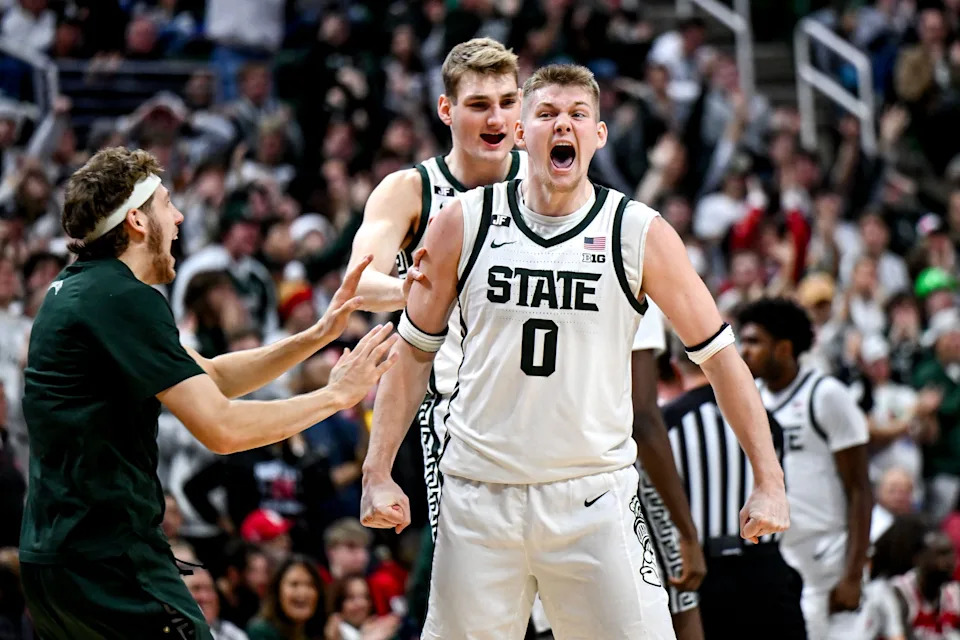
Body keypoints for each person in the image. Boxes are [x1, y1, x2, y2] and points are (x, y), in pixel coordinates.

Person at [360, 64, 788, 639]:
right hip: (479, 495)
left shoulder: (638, 232)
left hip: (593, 498)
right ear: (521, 133)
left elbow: (719, 358)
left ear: (598, 135)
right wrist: (377, 470)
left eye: (577, 115)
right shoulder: (460, 222)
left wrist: (769, 479)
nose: (563, 125)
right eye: (546, 114)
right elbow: (412, 358)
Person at [17, 147, 398, 639]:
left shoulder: (78, 290)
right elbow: (221, 428)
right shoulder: (124, 298)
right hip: (109, 559)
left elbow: (213, 375)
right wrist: (334, 397)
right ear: (136, 220)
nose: (177, 218)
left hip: (57, 558)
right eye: (166, 204)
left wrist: (319, 334)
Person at [346, 36, 527, 541]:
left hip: (550, 404)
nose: (496, 120)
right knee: (480, 602)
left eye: (507, 103)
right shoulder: (411, 190)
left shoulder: (550, 181)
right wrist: (416, 289)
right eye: (478, 106)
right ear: (446, 109)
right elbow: (358, 282)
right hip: (457, 409)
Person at [638, 341, 806, 639]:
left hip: (699, 569)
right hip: (765, 566)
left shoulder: (664, 426)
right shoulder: (767, 422)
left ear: (676, 369)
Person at [738, 298, 872, 640]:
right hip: (778, 558)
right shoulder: (750, 399)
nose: (743, 350)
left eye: (754, 342)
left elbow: (860, 488)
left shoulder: (826, 395)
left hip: (828, 556)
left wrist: (853, 575)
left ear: (783, 349)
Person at [246, 555, 326, 640]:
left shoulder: (319, 632)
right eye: (294, 584)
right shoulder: (261, 631)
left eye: (310, 585)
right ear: (277, 590)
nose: (303, 593)